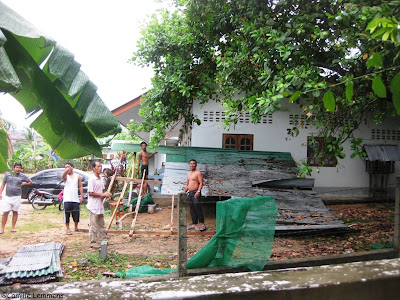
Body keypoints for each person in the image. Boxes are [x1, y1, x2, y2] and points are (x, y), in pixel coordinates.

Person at [0, 163, 32, 234]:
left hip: (17, 197)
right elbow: (3, 184)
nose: (18, 169)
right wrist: (0, 193)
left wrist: (23, 184)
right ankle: (2, 229)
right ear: (13, 168)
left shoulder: (22, 176)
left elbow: (30, 182)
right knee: (5, 212)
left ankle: (13, 227)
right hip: (8, 196)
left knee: (15, 212)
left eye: (19, 168)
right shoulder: (7, 174)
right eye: (17, 167)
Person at [87, 161, 112, 248]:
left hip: (99, 205)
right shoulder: (92, 179)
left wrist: (106, 194)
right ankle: (93, 242)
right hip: (93, 206)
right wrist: (102, 195)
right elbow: (90, 193)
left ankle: (103, 240)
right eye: (98, 166)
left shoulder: (100, 178)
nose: (100, 168)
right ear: (93, 168)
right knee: (93, 225)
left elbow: (101, 192)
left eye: (101, 166)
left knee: (101, 224)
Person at [183, 159, 206, 231]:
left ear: (195, 165)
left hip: (196, 193)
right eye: (190, 163)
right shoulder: (188, 174)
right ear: (189, 165)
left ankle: (202, 224)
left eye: (193, 163)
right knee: (192, 209)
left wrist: (198, 191)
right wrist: (183, 192)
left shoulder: (198, 173)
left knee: (197, 208)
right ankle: (194, 224)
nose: (192, 165)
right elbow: (187, 185)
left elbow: (201, 183)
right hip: (190, 193)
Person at [62, 162, 84, 235]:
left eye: (68, 167)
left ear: (72, 167)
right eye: (65, 167)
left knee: (76, 213)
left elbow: (80, 186)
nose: (67, 168)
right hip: (67, 199)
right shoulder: (66, 177)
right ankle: (68, 229)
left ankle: (76, 227)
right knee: (67, 214)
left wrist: (81, 196)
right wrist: (66, 170)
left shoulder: (77, 176)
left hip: (75, 198)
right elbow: (62, 176)